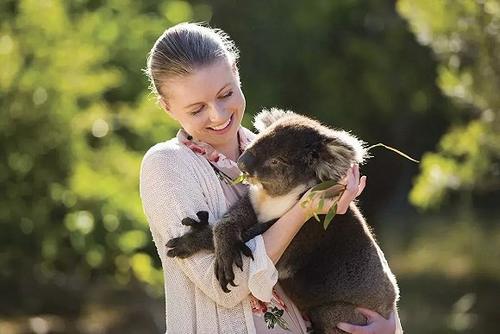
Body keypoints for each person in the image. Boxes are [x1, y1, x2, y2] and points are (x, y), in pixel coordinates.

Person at [140, 22, 402, 334]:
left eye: (226, 94)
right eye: (197, 109)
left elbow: (364, 259)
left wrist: (389, 326)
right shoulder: (167, 167)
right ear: (167, 107)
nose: (219, 115)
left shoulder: (275, 144)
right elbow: (227, 286)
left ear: (237, 73)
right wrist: (304, 210)